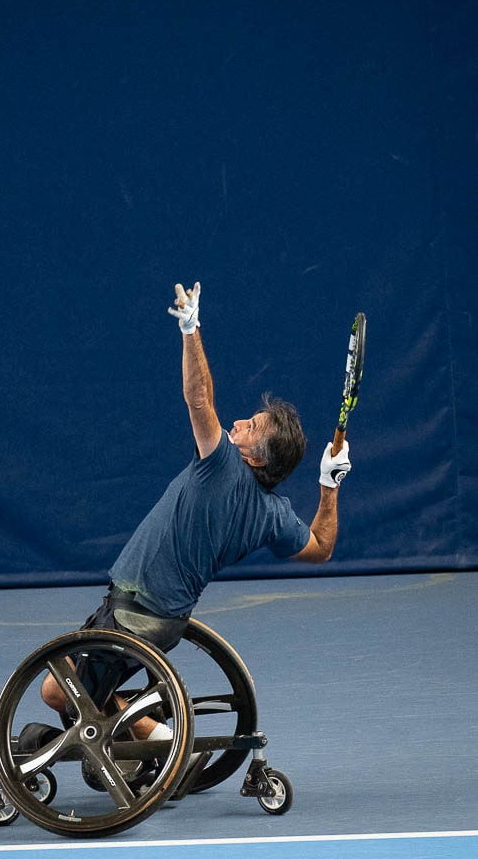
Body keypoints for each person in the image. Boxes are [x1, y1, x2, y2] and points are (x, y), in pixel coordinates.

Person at [40, 281, 351, 742]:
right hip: (168, 622)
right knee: (83, 691)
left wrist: (191, 328)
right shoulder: (274, 515)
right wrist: (329, 485)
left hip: (132, 612)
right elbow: (322, 548)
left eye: (251, 428)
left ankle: (164, 744)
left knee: (57, 691)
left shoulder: (221, 465)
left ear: (255, 458)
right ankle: (152, 742)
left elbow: (199, 397)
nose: (240, 423)